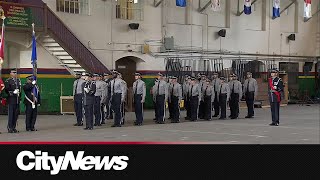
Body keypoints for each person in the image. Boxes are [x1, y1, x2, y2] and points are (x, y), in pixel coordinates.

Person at [5, 69, 21, 133]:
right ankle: (10, 127)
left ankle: (14, 127)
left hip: (17, 100)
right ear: (10, 73)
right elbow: (6, 90)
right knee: (11, 114)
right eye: (13, 72)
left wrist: (19, 98)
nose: (15, 74)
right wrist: (13, 92)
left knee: (15, 114)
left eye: (15, 72)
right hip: (11, 100)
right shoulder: (8, 81)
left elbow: (20, 90)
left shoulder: (18, 80)